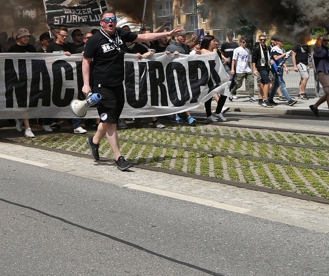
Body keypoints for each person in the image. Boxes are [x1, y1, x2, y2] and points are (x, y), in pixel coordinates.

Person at [82, 14, 181, 171]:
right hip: (102, 85)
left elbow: (144, 36)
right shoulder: (95, 40)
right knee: (111, 121)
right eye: (107, 20)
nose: (110, 22)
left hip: (117, 83)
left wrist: (167, 34)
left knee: (110, 118)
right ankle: (119, 158)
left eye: (113, 19)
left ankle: (93, 141)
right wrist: (86, 84)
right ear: (101, 23)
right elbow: (86, 61)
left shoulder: (121, 34)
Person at [8, 29, 39, 137]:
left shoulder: (31, 48)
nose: (26, 38)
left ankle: (20, 117)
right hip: (18, 79)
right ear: (19, 37)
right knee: (22, 101)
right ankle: (27, 127)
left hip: (30, 78)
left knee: (29, 102)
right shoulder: (13, 49)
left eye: (27, 36)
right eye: (24, 36)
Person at [309, 36, 329, 120]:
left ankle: (314, 106)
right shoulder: (318, 51)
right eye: (324, 41)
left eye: (327, 40)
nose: (326, 42)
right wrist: (320, 38)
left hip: (327, 74)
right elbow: (317, 46)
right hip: (322, 74)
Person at [197, 36, 227, 122]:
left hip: (215, 74)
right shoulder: (203, 50)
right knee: (209, 94)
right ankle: (209, 114)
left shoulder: (215, 51)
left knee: (224, 91)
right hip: (207, 74)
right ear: (209, 42)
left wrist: (224, 74)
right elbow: (210, 59)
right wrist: (214, 52)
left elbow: (218, 64)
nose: (215, 43)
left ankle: (218, 111)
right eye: (213, 41)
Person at [267, 38, 294, 106]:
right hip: (276, 69)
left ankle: (270, 99)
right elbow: (275, 58)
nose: (283, 43)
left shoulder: (281, 50)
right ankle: (289, 100)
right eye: (282, 41)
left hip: (280, 69)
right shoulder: (274, 49)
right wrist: (285, 54)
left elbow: (282, 60)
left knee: (276, 85)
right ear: (278, 42)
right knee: (282, 84)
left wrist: (286, 67)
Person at [251, 34, 273, 107]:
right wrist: (254, 69)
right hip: (260, 68)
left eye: (264, 39)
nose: (262, 41)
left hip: (267, 67)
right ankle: (266, 100)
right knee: (267, 82)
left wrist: (271, 61)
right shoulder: (256, 48)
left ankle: (260, 99)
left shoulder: (267, 48)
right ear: (259, 40)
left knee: (263, 84)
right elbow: (253, 59)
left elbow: (269, 57)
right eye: (261, 40)